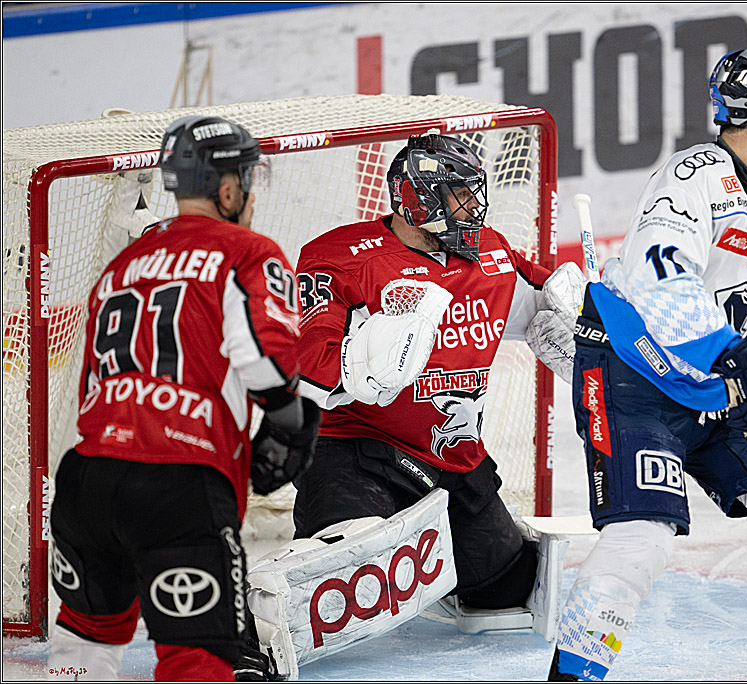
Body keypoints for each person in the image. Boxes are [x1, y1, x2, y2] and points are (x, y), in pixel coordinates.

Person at [547, 48, 747, 682]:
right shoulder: (693, 176)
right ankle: (573, 676)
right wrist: (736, 360)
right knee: (644, 539)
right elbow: (662, 282)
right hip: (631, 376)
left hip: (713, 387)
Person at [238, 131, 583, 672]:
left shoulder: (490, 251)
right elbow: (307, 362)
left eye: (474, 193)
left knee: (506, 590)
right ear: (415, 196)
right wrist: (360, 366)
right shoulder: (341, 257)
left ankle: (433, 554)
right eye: (456, 195)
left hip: (453, 460)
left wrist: (578, 325)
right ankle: (244, 627)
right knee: (340, 572)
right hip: (356, 448)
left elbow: (546, 303)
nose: (473, 208)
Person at [46, 115, 320, 681]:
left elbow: (92, 381)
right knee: (198, 658)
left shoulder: (123, 264)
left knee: (83, 646)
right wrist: (290, 420)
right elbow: (265, 362)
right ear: (226, 189)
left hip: (86, 479)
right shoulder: (246, 250)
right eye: (246, 179)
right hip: (176, 486)